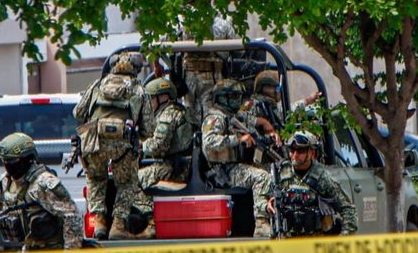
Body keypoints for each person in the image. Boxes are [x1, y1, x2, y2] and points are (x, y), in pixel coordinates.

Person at [73, 53, 152, 240]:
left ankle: (99, 222)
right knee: (126, 183)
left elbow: (78, 112)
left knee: (95, 179)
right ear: (136, 70)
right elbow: (149, 128)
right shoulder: (139, 89)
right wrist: (136, 137)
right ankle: (118, 225)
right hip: (122, 145)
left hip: (94, 142)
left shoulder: (97, 85)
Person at [201, 79, 273, 237]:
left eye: (239, 96)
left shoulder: (233, 116)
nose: (237, 100)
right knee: (262, 177)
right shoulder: (215, 118)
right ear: (221, 98)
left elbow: (253, 121)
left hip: (235, 167)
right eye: (233, 96)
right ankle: (261, 223)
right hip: (222, 172)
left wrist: (269, 131)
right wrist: (238, 140)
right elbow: (209, 142)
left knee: (273, 172)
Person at [132, 77, 194, 238]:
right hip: (174, 164)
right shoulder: (176, 111)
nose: (149, 103)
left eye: (151, 98)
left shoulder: (168, 115)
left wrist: (140, 146)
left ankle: (151, 221)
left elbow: (159, 146)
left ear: (162, 97)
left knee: (131, 179)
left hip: (173, 167)